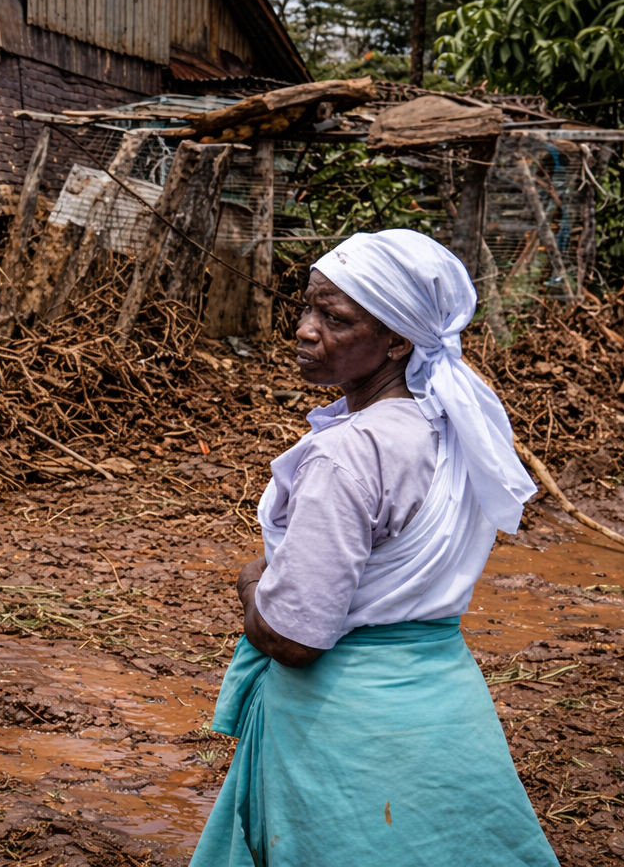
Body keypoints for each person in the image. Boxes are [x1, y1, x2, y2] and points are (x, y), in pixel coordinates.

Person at [189, 229, 560, 867]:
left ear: (396, 340)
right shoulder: (450, 429)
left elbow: (294, 639)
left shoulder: (349, 453)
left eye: (334, 318)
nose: (306, 330)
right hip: (443, 708)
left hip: (344, 728)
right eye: (307, 308)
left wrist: (252, 582)